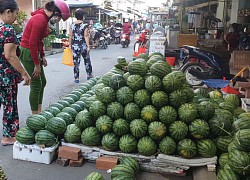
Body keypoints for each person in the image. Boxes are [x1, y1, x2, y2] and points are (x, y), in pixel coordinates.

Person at [20, 0, 70, 114]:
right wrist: (37, 64)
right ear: (55, 12)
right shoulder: (40, 19)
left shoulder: (43, 18)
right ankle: (35, 116)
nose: (58, 20)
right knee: (36, 84)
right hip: (28, 52)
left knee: (43, 82)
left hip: (33, 50)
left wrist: (42, 56)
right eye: (60, 18)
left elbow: (39, 41)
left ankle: (39, 111)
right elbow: (32, 42)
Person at [0, 0, 31, 145]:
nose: (16, 17)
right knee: (9, 104)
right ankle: (9, 136)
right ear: (8, 12)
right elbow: (10, 55)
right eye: (16, 14)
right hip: (5, 75)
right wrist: (24, 73)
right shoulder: (7, 29)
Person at [68, 8, 93, 83]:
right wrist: (88, 46)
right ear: (83, 16)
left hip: (75, 46)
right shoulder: (84, 25)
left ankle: (76, 78)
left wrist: (69, 45)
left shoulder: (72, 25)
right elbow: (86, 36)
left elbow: (70, 35)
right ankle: (89, 75)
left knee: (76, 62)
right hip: (83, 46)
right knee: (87, 60)